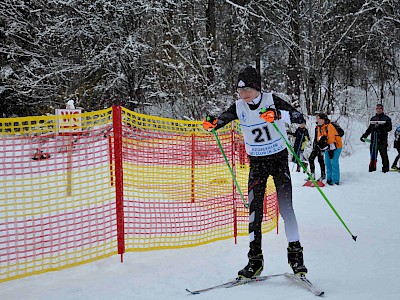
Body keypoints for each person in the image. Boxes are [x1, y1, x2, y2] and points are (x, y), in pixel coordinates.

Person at [202, 66, 308, 278]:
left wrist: (278, 114)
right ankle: (254, 261)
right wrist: (213, 123)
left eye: (247, 89)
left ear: (257, 88)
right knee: (254, 215)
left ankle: (296, 259)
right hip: (257, 165)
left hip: (278, 161)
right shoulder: (239, 106)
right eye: (240, 91)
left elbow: (298, 117)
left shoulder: (271, 99)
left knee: (287, 210)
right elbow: (221, 120)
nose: (244, 94)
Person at [360, 104, 392, 172]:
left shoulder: (386, 118)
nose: (378, 110)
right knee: (373, 155)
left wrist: (381, 129)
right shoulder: (373, 119)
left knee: (384, 156)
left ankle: (385, 169)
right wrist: (364, 136)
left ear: (382, 109)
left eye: (380, 108)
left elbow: (389, 128)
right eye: (377, 108)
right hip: (373, 141)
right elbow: (369, 129)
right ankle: (372, 169)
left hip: (382, 141)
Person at [315, 113, 342, 185]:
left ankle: (335, 180)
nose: (317, 121)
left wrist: (330, 148)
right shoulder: (319, 127)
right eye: (316, 119)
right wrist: (321, 146)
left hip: (336, 146)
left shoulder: (330, 126)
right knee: (327, 163)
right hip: (328, 147)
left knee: (334, 162)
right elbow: (318, 138)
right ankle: (329, 179)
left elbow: (331, 139)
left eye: (319, 119)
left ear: (323, 119)